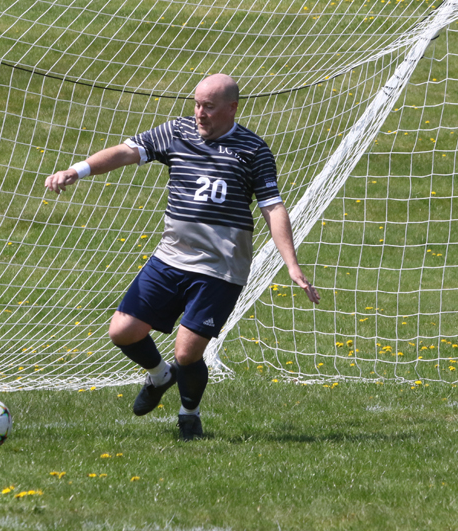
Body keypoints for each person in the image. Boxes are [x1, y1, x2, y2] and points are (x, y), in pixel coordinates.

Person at [44, 74, 320, 440]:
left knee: (187, 352)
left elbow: (273, 207)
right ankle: (160, 376)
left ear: (232, 108)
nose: (200, 113)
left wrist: (292, 264)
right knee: (122, 332)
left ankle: (189, 414)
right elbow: (127, 151)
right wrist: (75, 170)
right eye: (196, 104)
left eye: (209, 106)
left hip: (220, 270)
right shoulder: (177, 132)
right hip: (170, 257)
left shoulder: (253, 150)